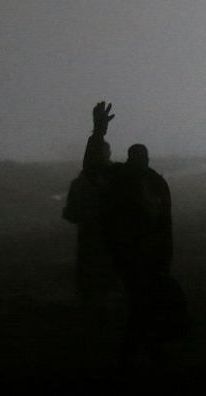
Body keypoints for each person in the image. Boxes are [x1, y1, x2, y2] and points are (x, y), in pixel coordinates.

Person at [85, 100, 179, 365]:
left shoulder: (128, 179)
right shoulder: (151, 182)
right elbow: (164, 222)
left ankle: (137, 352)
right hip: (134, 251)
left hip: (133, 251)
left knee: (142, 301)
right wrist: (97, 133)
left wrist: (98, 132)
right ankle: (143, 351)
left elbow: (92, 170)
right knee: (143, 300)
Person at [62, 102, 119, 318]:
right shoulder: (106, 176)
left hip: (91, 232)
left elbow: (70, 213)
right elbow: (93, 164)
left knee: (91, 276)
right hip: (101, 232)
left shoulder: (83, 181)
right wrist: (98, 132)